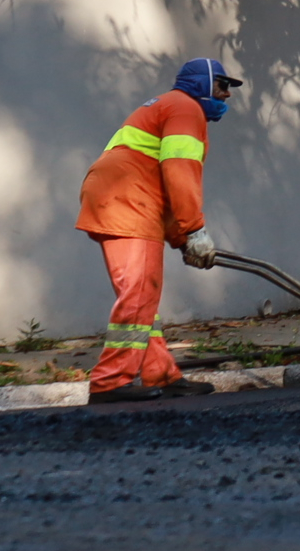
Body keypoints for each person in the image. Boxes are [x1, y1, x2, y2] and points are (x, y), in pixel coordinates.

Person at [73, 59, 240, 401]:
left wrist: (181, 239)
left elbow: (162, 181)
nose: (227, 95)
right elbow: (180, 173)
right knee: (139, 293)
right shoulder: (186, 109)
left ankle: (160, 374)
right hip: (129, 200)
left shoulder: (169, 106)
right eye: (222, 85)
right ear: (203, 83)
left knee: (142, 296)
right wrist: (195, 231)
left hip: (118, 196)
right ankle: (109, 381)